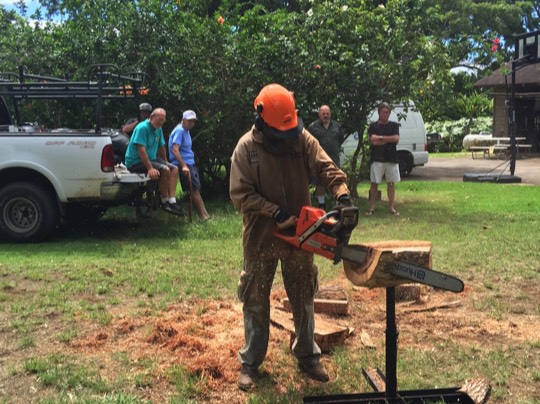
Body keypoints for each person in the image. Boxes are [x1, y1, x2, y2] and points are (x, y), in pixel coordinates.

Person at [229, 84, 353, 391]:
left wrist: (343, 195)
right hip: (261, 235)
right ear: (262, 121)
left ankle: (307, 353)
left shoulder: (300, 139)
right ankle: (251, 360)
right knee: (256, 297)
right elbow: (241, 194)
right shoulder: (247, 148)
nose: (286, 138)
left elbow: (326, 166)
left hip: (302, 233)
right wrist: (274, 212)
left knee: (303, 293)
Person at [124, 108, 184, 216]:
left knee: (174, 169)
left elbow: (161, 147)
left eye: (163, 121)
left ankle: (172, 201)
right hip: (136, 161)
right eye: (159, 120)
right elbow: (141, 151)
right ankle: (163, 201)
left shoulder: (158, 128)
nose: (161, 123)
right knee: (164, 170)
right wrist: (150, 168)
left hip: (151, 158)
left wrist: (165, 161)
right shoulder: (142, 128)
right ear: (151, 117)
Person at [168, 110, 210, 220]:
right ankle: (203, 217)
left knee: (196, 190)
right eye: (189, 121)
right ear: (183, 120)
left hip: (190, 163)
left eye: (193, 121)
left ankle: (206, 215)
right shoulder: (180, 131)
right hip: (185, 165)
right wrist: (183, 166)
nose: (191, 123)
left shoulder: (186, 131)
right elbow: (175, 150)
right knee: (194, 191)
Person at [366, 102, 400, 216]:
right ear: (379, 112)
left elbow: (396, 139)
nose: (385, 114)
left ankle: (391, 207)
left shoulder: (394, 125)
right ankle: (371, 207)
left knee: (391, 183)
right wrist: (387, 140)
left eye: (387, 112)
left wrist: (381, 138)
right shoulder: (373, 126)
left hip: (391, 158)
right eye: (383, 112)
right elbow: (373, 142)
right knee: (374, 183)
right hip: (377, 158)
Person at [308, 105, 344, 210]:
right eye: (323, 113)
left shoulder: (337, 126)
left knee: (336, 180)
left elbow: (340, 139)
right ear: (319, 114)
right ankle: (321, 205)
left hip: (334, 159)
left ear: (330, 114)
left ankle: (338, 204)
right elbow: (309, 142)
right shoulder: (312, 126)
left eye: (327, 113)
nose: (325, 115)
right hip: (319, 159)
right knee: (320, 182)